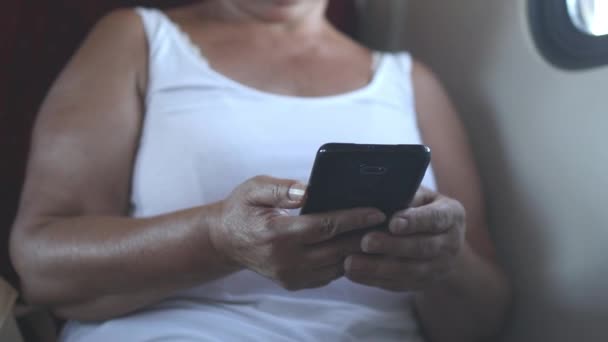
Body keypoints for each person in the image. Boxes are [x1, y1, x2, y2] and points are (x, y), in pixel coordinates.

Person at [9, 0, 511, 341]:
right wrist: (217, 240)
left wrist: (443, 262)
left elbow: (482, 318)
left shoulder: (409, 79)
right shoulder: (137, 37)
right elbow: (42, 263)